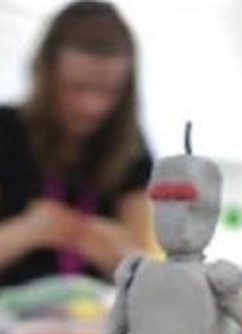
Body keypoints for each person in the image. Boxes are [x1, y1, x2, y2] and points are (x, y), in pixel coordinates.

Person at [0, 0, 155, 287]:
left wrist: (120, 254)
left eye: (109, 91)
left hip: (96, 321)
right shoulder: (6, 132)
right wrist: (26, 231)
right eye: (77, 87)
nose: (92, 107)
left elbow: (145, 269)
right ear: (47, 76)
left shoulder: (132, 148)